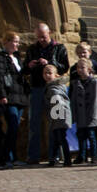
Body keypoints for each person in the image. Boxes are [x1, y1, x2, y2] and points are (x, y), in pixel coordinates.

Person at [23, 23, 69, 164]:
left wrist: (49, 62)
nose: (41, 40)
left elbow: (64, 67)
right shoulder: (32, 49)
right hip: (37, 88)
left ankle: (54, 156)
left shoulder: (59, 48)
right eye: (38, 37)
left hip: (54, 88)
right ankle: (33, 157)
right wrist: (29, 66)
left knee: (55, 123)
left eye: (43, 37)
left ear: (49, 33)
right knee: (34, 123)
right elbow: (24, 70)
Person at [0, 31, 28, 167]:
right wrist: (2, 95)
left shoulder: (17, 58)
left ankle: (13, 157)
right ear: (6, 42)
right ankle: (6, 158)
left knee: (15, 128)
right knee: (12, 126)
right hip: (9, 97)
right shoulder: (0, 57)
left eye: (18, 42)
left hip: (20, 97)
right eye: (14, 41)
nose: (16, 44)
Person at [69, 56, 97, 163]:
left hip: (90, 115)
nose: (79, 70)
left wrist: (93, 114)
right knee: (81, 136)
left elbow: (96, 99)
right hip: (80, 115)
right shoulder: (76, 83)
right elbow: (73, 99)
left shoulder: (94, 82)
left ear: (89, 69)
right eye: (78, 67)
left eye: (82, 67)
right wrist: (74, 114)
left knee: (92, 136)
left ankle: (94, 156)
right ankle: (82, 156)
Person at [43, 64, 72, 167]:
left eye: (49, 73)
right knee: (55, 139)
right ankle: (53, 159)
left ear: (56, 75)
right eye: (45, 73)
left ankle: (67, 159)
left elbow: (59, 103)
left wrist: (58, 118)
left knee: (61, 139)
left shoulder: (54, 89)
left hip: (59, 117)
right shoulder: (51, 87)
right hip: (56, 117)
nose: (47, 75)